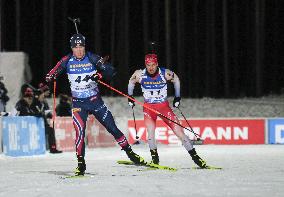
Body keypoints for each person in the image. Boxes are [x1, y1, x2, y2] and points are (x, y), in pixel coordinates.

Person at [45, 33, 145, 176]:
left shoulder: (92, 58)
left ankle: (131, 154)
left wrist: (100, 75)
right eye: (76, 47)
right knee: (79, 133)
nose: (79, 50)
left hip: (95, 102)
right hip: (79, 104)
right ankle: (81, 164)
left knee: (113, 128)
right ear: (72, 48)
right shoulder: (66, 60)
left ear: (85, 47)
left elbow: (112, 71)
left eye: (81, 47)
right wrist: (51, 76)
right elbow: (50, 74)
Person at [127, 53, 207, 168]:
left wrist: (177, 97)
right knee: (150, 134)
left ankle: (197, 158)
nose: (151, 67)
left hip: (163, 107)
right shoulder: (139, 74)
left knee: (179, 132)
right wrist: (130, 97)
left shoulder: (165, 73)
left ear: (157, 64)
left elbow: (177, 80)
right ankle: (155, 160)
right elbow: (131, 82)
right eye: (148, 65)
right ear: (145, 64)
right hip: (149, 108)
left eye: (153, 65)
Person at [31, 89, 62, 154]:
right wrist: (41, 114)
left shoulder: (42, 104)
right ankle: (40, 149)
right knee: (50, 130)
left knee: (51, 130)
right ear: (37, 96)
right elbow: (34, 113)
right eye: (41, 96)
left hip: (43, 124)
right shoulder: (33, 104)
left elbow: (46, 112)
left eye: (43, 96)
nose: (43, 97)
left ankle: (53, 148)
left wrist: (50, 115)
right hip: (36, 125)